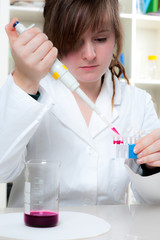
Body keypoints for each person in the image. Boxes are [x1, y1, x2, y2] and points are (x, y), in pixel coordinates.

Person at [0, 0, 160, 207]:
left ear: (116, 37)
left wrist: (152, 167)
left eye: (101, 39)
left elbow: (152, 198)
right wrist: (24, 79)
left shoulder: (138, 102)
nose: (89, 54)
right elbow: (2, 170)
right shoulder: (28, 91)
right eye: (74, 40)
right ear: (53, 40)